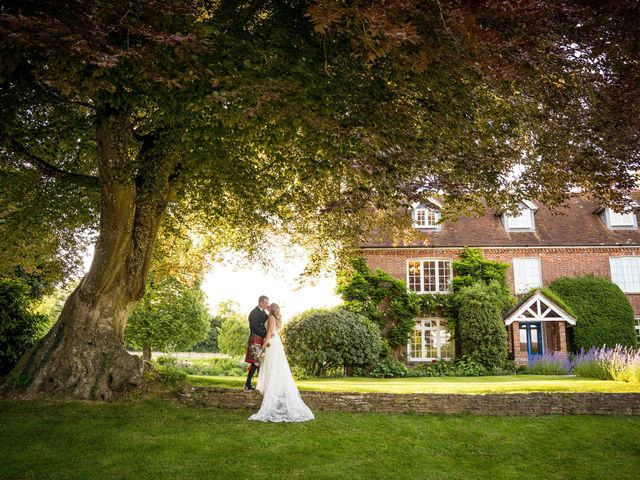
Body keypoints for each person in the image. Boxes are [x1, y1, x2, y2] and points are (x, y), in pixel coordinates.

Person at [249, 303, 314, 422]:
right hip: (275, 342)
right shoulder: (275, 318)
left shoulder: (271, 317)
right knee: (275, 366)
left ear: (271, 309)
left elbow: (269, 332)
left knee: (271, 365)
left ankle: (271, 390)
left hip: (271, 343)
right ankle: (273, 388)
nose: (267, 307)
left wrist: (263, 345)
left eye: (269, 307)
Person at [244, 295, 269, 391]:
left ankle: (251, 384)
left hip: (261, 339)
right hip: (256, 338)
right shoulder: (254, 312)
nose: (267, 305)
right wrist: (265, 334)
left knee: (258, 362)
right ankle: (247, 384)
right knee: (256, 362)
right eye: (266, 303)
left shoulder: (264, 313)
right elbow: (254, 327)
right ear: (261, 302)